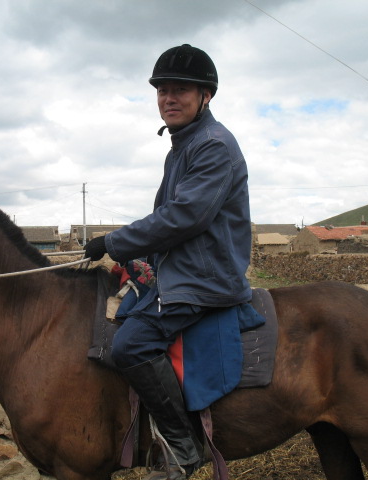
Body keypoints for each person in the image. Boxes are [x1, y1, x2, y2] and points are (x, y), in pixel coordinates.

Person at [84, 44, 253, 480]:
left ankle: (182, 446)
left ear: (206, 96)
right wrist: (136, 256)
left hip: (204, 277)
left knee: (130, 345)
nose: (168, 99)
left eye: (180, 90)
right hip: (181, 271)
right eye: (162, 91)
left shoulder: (213, 146)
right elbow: (167, 219)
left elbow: (184, 217)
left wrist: (114, 241)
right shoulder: (183, 146)